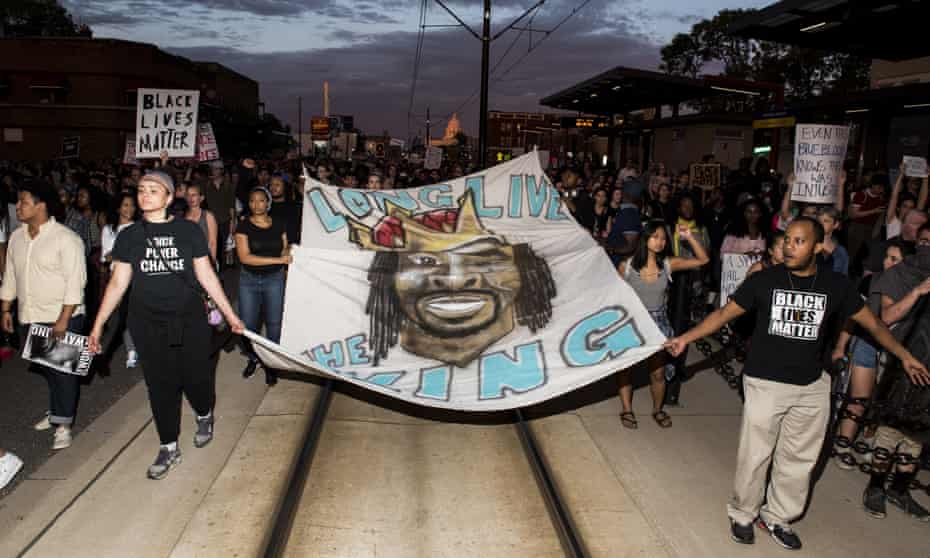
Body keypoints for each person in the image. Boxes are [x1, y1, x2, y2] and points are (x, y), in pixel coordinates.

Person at [664, 217, 929, 551]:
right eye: (787, 240)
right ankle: (744, 514)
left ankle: (777, 516)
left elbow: (874, 325)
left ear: (819, 247)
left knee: (799, 459)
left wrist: (904, 355)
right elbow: (724, 314)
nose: (789, 246)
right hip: (765, 381)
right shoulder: (765, 280)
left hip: (811, 384)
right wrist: (685, 338)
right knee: (755, 455)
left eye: (799, 241)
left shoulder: (837, 285)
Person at [88, 170, 244, 480]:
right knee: (160, 386)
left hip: (189, 321)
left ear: (170, 198)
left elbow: (206, 275)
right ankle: (168, 446)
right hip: (147, 324)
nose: (144, 195)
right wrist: (97, 326)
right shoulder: (129, 236)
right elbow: (118, 283)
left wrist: (230, 314)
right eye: (141, 190)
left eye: (153, 190)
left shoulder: (188, 231)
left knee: (196, 378)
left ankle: (204, 413)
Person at [1, 180, 87, 451]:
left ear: (41, 206)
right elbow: (11, 276)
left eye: (24, 202)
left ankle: (63, 425)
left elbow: (76, 283)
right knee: (47, 368)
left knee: (63, 371)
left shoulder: (66, 239)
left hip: (63, 315)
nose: (18, 207)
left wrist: (63, 319)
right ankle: (56, 411)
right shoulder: (16, 237)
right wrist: (6, 308)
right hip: (30, 314)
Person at [617, 220, 709, 429]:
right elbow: (615, 298)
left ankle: (657, 409)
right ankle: (626, 408)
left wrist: (689, 236)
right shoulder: (627, 266)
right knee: (626, 370)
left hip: (658, 323)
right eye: (655, 237)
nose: (659, 242)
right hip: (632, 322)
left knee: (657, 372)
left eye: (663, 238)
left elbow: (703, 260)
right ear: (645, 238)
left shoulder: (668, 264)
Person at [831, 240, 911, 469]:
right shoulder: (871, 281)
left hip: (896, 350)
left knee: (881, 402)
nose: (888, 262)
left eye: (895, 259)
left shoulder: (913, 289)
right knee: (859, 398)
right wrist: (840, 346)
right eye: (887, 256)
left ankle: (868, 441)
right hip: (867, 343)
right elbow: (852, 317)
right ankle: (843, 444)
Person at [235, 187, 291, 386]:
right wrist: (279, 260)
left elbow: (285, 246)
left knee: (274, 324)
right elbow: (245, 257)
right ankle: (254, 357)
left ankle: (271, 365)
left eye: (260, 200)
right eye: (252, 201)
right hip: (249, 280)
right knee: (248, 326)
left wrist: (286, 252)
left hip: (274, 280)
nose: (256, 204)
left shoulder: (280, 224)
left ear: (268, 203)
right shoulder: (243, 227)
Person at [666, 193, 711, 405]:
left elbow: (706, 256)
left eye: (690, 204)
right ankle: (666, 367)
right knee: (669, 327)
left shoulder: (700, 230)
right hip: (671, 284)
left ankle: (679, 367)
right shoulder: (668, 228)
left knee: (684, 328)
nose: (687, 208)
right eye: (683, 204)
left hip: (691, 285)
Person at [100, 192, 140, 368]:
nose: (129, 208)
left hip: (138, 276)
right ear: (118, 208)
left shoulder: (140, 227)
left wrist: (119, 253)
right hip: (118, 278)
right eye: (125, 205)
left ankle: (140, 346)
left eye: (132, 205)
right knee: (125, 315)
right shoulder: (109, 229)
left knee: (140, 313)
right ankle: (132, 350)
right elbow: (106, 256)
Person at [848, 173, 888, 264]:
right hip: (857, 227)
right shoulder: (861, 195)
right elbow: (854, 214)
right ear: (872, 185)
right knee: (852, 252)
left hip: (872, 228)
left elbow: (881, 216)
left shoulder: (882, 198)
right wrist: (873, 211)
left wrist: (876, 230)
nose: (881, 190)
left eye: (882, 188)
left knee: (870, 252)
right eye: (879, 187)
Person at [184, 183, 218, 264]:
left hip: (204, 259)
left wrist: (212, 262)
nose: (190, 198)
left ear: (201, 198)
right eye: (188, 195)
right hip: (188, 259)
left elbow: (213, 242)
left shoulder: (208, 216)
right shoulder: (183, 216)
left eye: (194, 195)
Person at [817, 206, 848, 275]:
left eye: (826, 221)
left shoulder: (841, 252)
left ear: (836, 225)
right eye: (819, 221)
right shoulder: (808, 245)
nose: (820, 224)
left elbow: (843, 277)